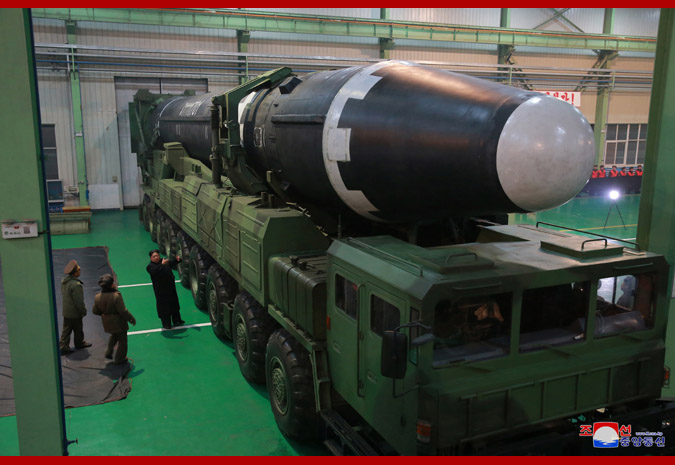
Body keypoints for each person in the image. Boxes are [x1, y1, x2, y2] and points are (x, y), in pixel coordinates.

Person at [92, 274, 136, 364]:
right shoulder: (116, 296)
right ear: (112, 285)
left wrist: (105, 315)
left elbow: (95, 311)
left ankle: (109, 351)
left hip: (107, 322)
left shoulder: (97, 297)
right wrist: (131, 319)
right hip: (118, 323)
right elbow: (123, 311)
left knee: (114, 335)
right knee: (122, 341)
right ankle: (120, 359)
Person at [59, 260, 92, 355]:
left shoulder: (64, 282)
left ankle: (63, 346)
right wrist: (83, 311)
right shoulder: (76, 285)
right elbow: (79, 301)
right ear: (75, 272)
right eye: (78, 270)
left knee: (66, 330)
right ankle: (79, 343)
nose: (79, 270)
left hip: (66, 310)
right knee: (78, 328)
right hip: (74, 312)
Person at [146, 249, 185, 329]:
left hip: (170, 288)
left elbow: (171, 263)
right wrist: (162, 265)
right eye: (154, 256)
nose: (156, 257)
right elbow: (155, 272)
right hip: (161, 291)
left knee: (174, 304)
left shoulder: (163, 261)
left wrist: (177, 260)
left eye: (157, 255)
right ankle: (166, 324)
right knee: (164, 307)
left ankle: (177, 320)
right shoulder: (150, 267)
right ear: (151, 258)